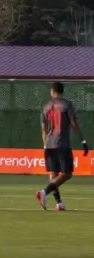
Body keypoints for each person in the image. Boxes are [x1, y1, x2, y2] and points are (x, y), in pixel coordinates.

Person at [36, 82, 88, 211]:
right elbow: (74, 123)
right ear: (61, 91)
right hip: (62, 143)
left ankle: (58, 203)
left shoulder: (45, 107)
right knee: (67, 173)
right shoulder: (67, 105)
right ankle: (44, 192)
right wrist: (83, 141)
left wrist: (44, 145)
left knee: (53, 173)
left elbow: (43, 129)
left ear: (52, 91)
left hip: (48, 144)